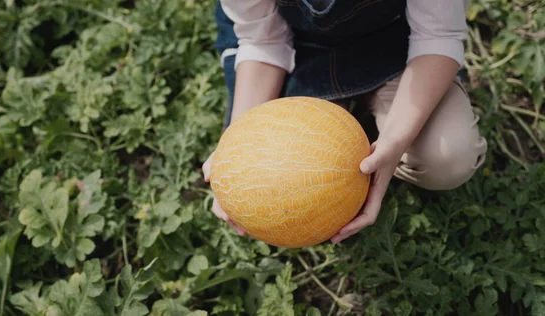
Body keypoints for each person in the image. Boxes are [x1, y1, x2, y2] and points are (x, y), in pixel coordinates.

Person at [202, 0, 488, 244]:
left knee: (449, 157)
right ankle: (351, 119)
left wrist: (395, 141)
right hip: (300, 50)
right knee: (283, 178)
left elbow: (437, 36)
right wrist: (236, 149)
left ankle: (374, 119)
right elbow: (264, 41)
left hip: (399, 42)